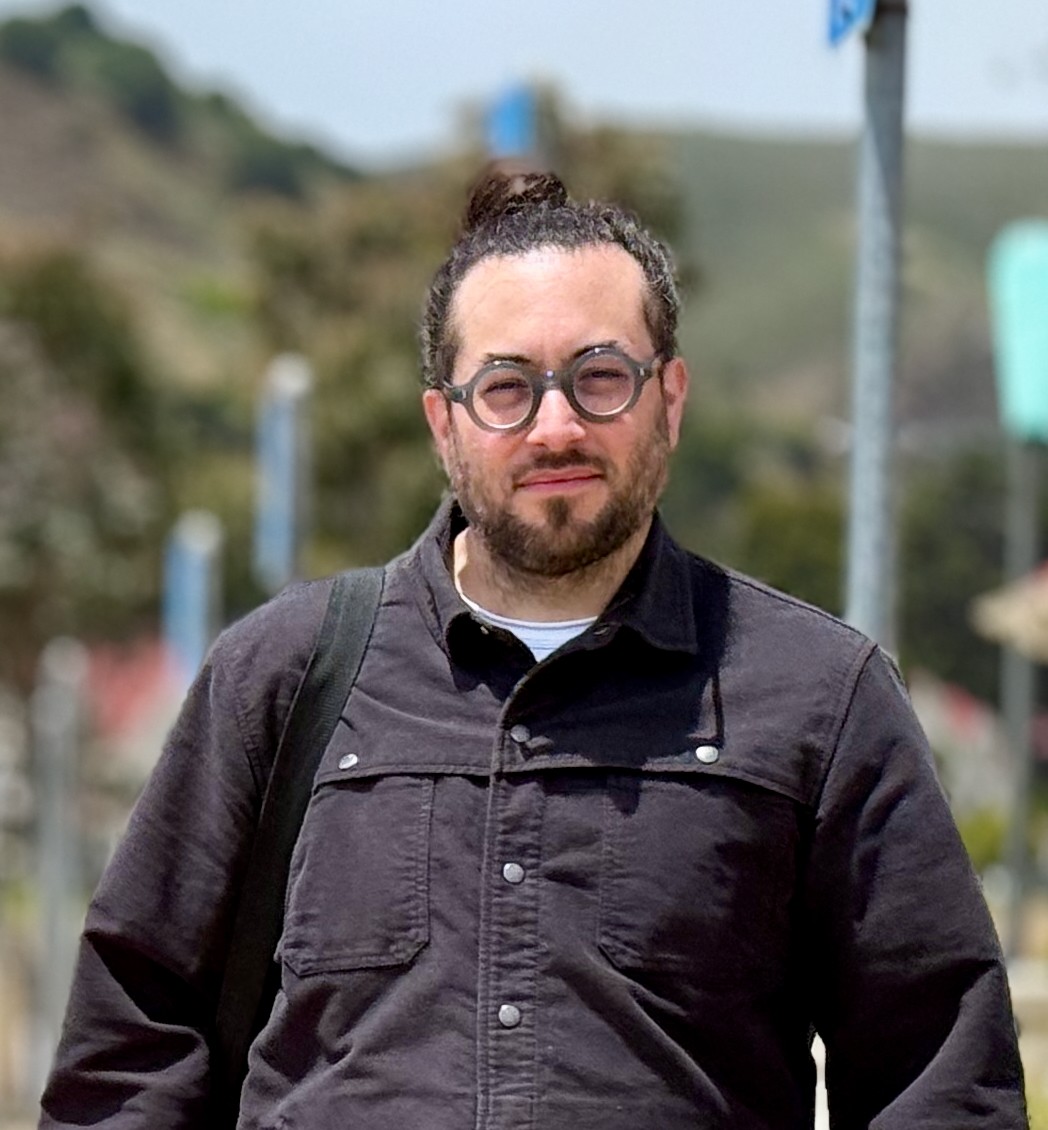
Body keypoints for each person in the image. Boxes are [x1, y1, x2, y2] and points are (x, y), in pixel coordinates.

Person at [40, 166, 1026, 1129]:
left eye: (600, 378)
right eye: (506, 387)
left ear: (671, 397)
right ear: (444, 422)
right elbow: (132, 1046)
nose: (556, 427)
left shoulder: (820, 694)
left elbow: (939, 1075)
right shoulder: (282, 677)